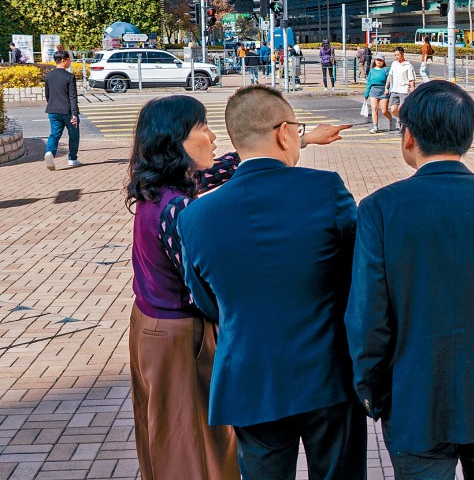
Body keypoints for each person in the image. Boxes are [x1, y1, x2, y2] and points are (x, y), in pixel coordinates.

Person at [346, 81, 474, 480]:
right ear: (468, 137)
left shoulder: (380, 209)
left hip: (415, 397)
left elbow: (369, 315)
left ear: (408, 137)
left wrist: (372, 390)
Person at [177, 86, 366, 480]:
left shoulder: (196, 216)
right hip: (327, 375)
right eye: (297, 130)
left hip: (249, 377)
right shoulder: (325, 189)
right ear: (283, 132)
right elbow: (358, 274)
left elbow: (207, 302)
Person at [125, 96, 241, 480]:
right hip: (179, 335)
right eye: (202, 128)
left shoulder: (159, 188)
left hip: (150, 324)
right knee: (190, 438)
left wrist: (295, 141)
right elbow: (201, 288)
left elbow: (217, 171)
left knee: (161, 428)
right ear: (174, 141)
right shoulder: (177, 210)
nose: (212, 137)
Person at [43, 50, 81, 170]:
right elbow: (73, 97)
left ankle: (49, 153)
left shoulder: (49, 76)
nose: (70, 61)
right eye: (69, 59)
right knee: (73, 135)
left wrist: (52, 105)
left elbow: (47, 95)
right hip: (68, 111)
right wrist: (74, 114)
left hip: (53, 110)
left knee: (54, 134)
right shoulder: (69, 76)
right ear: (64, 61)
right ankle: (72, 159)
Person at [384, 46, 417, 131]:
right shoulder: (394, 64)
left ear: (402, 54)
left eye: (398, 55)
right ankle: (402, 120)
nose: (396, 57)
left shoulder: (408, 65)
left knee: (402, 109)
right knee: (393, 109)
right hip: (394, 90)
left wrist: (413, 90)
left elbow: (411, 79)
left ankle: (405, 124)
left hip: (404, 90)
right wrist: (386, 87)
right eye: (395, 55)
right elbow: (390, 76)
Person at [364, 53, 392, 133]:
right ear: (375, 61)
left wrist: (388, 89)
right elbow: (369, 82)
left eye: (381, 60)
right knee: (374, 109)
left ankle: (391, 119)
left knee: (384, 110)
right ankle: (375, 126)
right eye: (377, 60)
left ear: (383, 61)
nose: (379, 62)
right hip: (373, 91)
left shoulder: (386, 70)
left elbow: (389, 81)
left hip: (384, 91)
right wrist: (366, 93)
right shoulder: (372, 71)